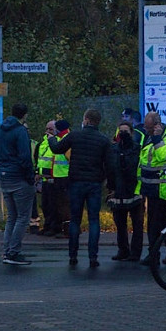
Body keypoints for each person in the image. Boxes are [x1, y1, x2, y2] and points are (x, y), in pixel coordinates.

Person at [49, 108, 115, 267]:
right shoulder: (103, 140)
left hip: (76, 182)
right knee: (94, 220)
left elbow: (57, 149)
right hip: (94, 184)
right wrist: (109, 185)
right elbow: (110, 165)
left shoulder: (75, 135)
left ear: (86, 120)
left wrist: (51, 139)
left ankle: (73, 255)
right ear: (98, 122)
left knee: (75, 220)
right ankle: (93, 257)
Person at [0, 103, 35, 266]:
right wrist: (30, 177)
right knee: (22, 217)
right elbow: (25, 157)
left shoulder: (0, 130)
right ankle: (14, 251)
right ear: (24, 115)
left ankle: (7, 251)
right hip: (19, 177)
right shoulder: (20, 132)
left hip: (5, 176)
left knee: (12, 217)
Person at [139, 111, 166, 266]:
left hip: (160, 188)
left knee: (156, 224)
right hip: (150, 186)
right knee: (162, 222)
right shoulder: (150, 136)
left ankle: (155, 254)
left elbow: (163, 156)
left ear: (157, 126)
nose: (146, 130)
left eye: (148, 128)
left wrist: (156, 138)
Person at [109, 117, 144, 262]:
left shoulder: (137, 149)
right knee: (120, 224)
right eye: (121, 131)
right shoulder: (113, 149)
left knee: (137, 224)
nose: (123, 134)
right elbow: (110, 169)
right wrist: (110, 189)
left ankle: (135, 253)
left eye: (126, 131)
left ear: (131, 133)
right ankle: (123, 250)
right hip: (118, 190)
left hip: (134, 191)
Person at [49, 120, 71, 237]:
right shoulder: (61, 139)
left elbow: (70, 158)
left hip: (65, 176)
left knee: (64, 204)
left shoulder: (66, 139)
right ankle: (61, 228)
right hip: (59, 176)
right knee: (59, 204)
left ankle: (67, 230)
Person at [35, 121, 57, 235]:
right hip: (43, 179)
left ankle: (53, 227)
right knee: (45, 205)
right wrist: (37, 173)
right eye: (47, 129)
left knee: (53, 205)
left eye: (51, 129)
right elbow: (39, 160)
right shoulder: (42, 144)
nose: (48, 131)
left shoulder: (57, 142)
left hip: (53, 178)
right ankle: (47, 226)